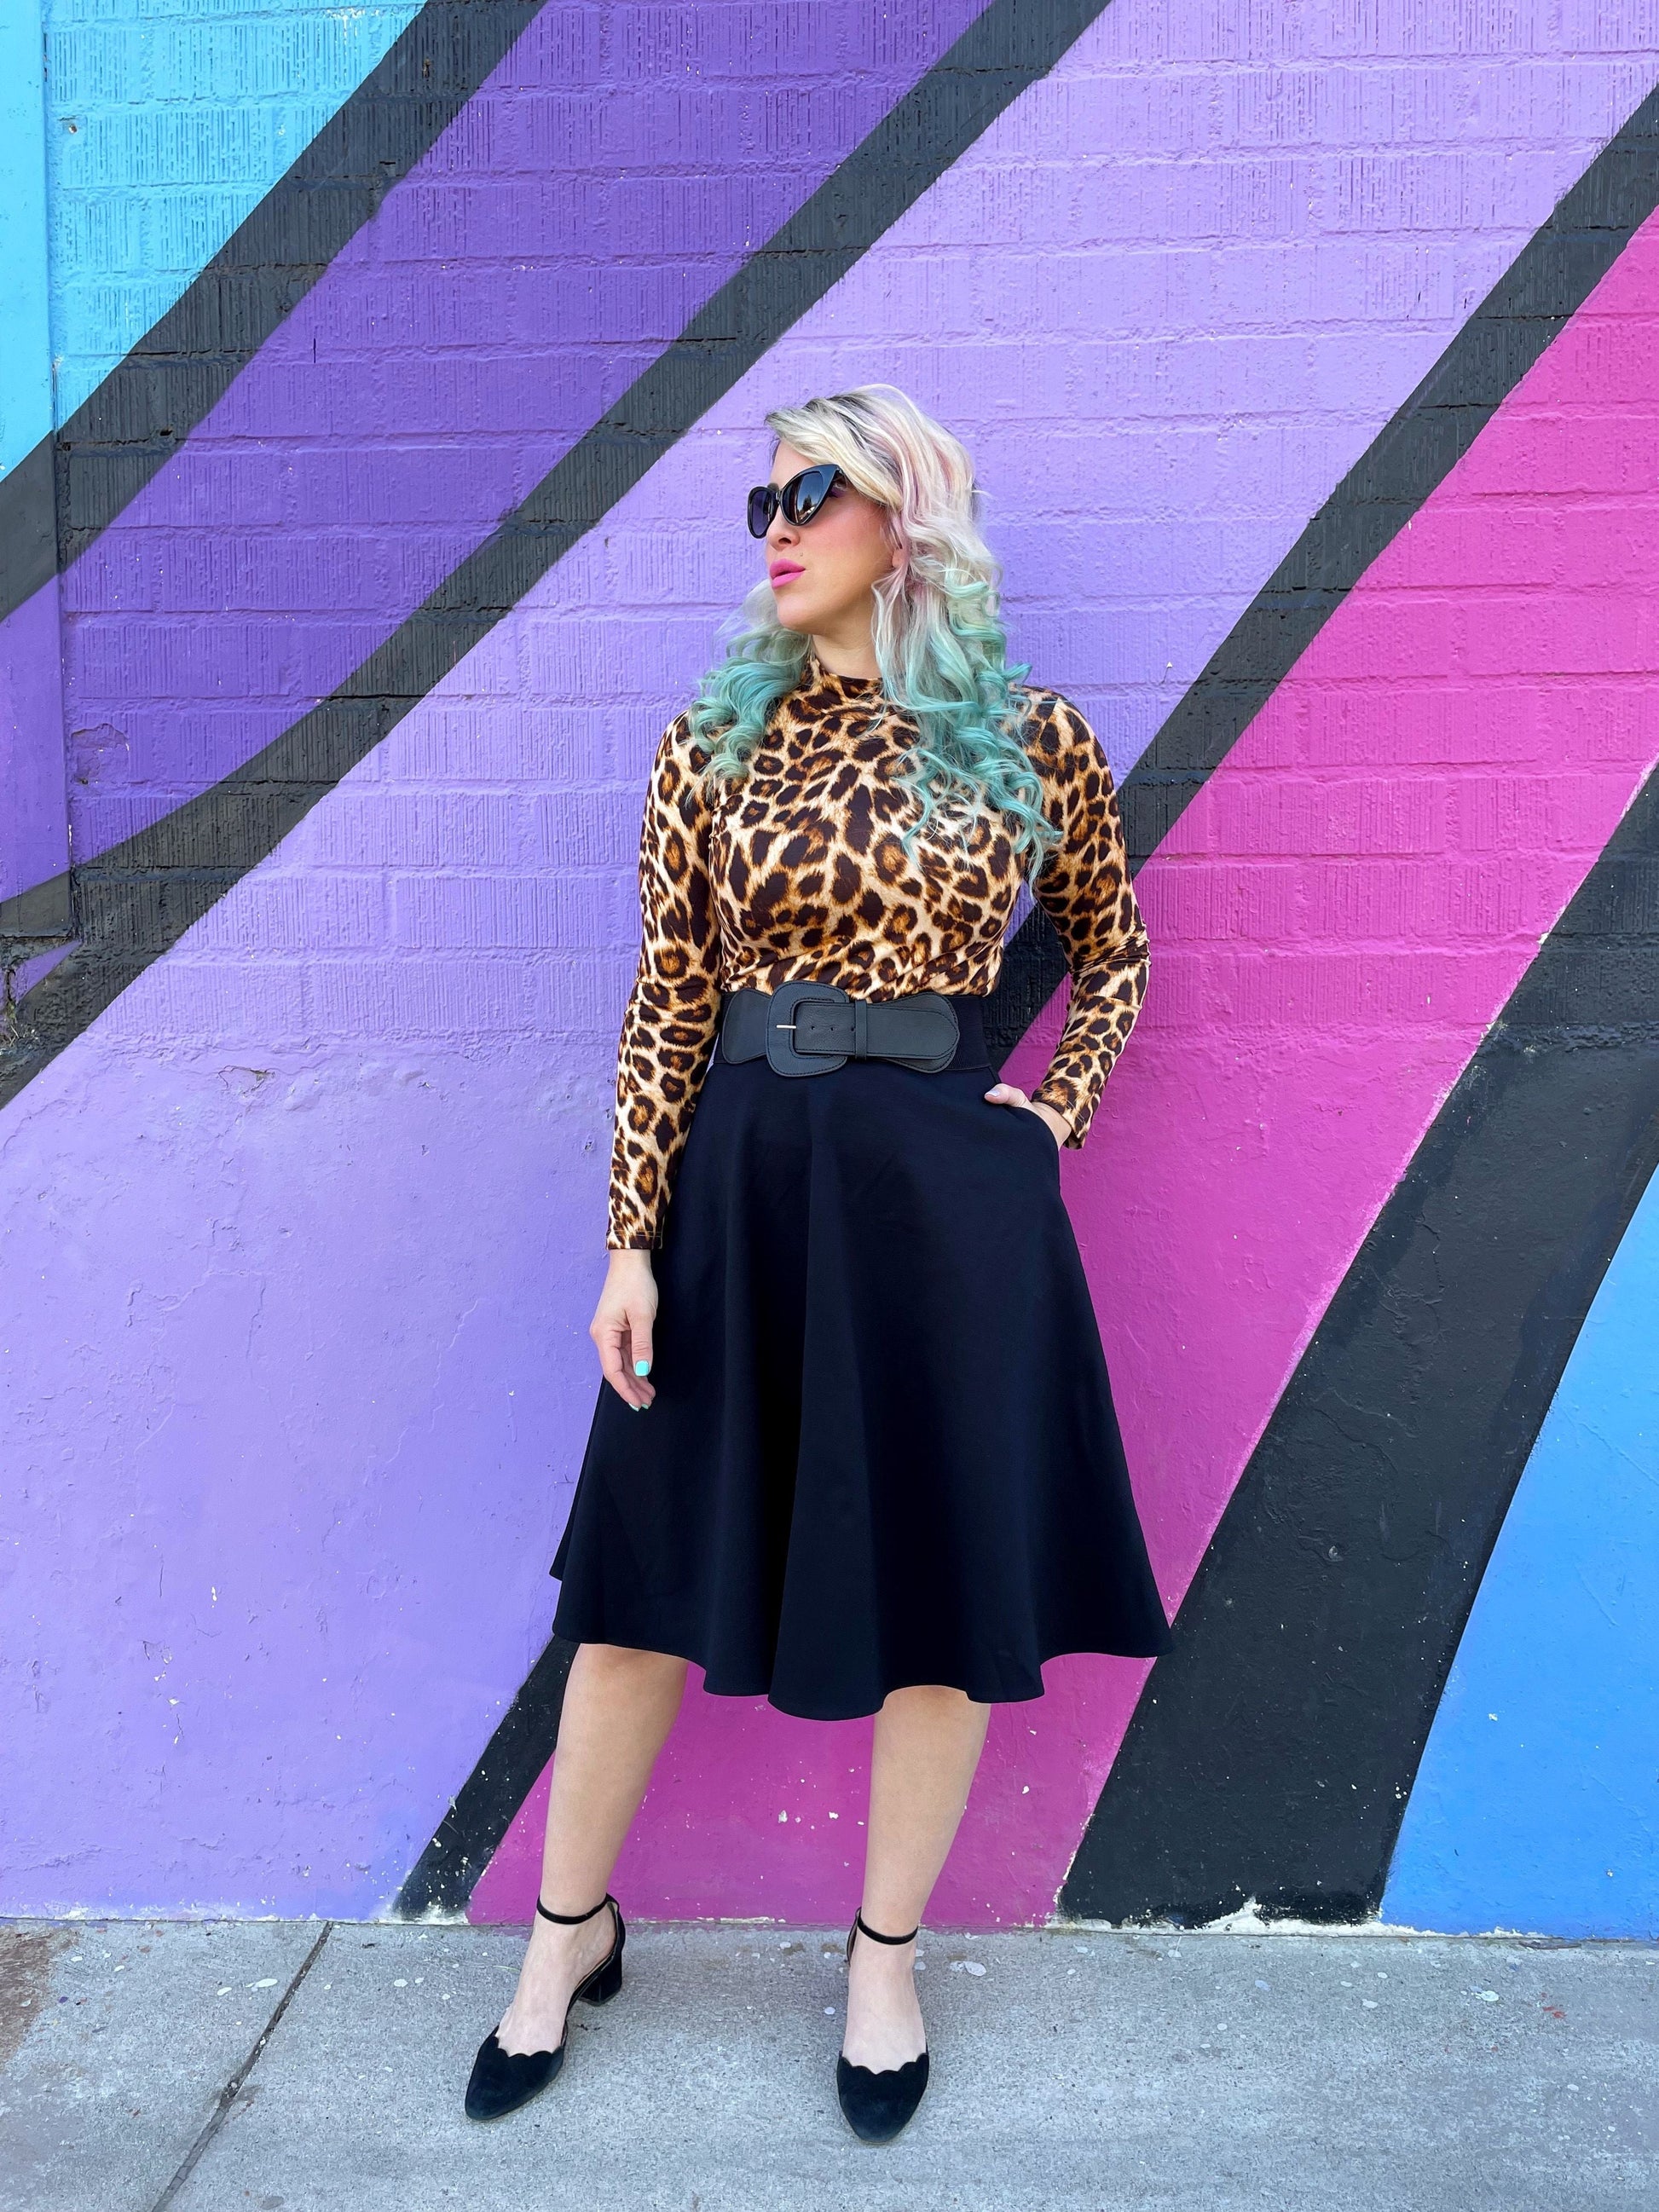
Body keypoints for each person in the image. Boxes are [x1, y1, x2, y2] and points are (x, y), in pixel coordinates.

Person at [465, 385, 1171, 2143]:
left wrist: (1051, 1114)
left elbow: (1114, 949)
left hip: (947, 1207)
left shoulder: (1030, 739)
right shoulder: (713, 741)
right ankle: (565, 1933)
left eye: (812, 493)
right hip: (739, 1190)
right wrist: (629, 1238)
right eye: (762, 501)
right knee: (637, 1580)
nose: (774, 528)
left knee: (935, 1588)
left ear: (903, 519)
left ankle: (884, 1958)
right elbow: (667, 995)